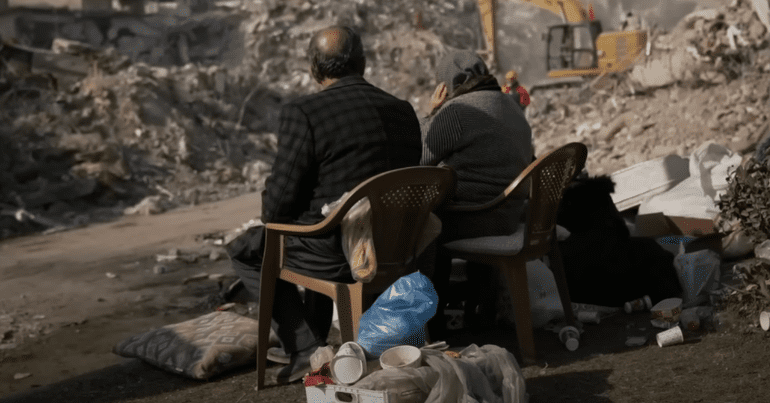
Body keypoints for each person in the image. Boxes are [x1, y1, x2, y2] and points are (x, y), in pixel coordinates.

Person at [226, 25, 422, 384]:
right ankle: (316, 338)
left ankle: (304, 349)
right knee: (318, 224)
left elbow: (277, 208)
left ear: (314, 67)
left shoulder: (305, 112)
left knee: (247, 248)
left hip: (338, 255)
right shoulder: (402, 110)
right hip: (399, 247)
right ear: (362, 63)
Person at [420, 50, 533, 336]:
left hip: (478, 219)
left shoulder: (456, 112)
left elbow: (420, 159)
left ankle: (432, 325)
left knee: (426, 227)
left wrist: (432, 112)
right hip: (511, 214)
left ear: (445, 83)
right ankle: (482, 314)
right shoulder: (511, 105)